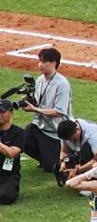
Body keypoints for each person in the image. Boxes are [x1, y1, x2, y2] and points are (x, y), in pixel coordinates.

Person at [20, 46, 72, 177]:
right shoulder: (39, 80)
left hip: (57, 133)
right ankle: (44, 157)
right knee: (22, 138)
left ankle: (62, 158)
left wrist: (35, 109)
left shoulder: (62, 84)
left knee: (51, 167)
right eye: (40, 61)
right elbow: (39, 102)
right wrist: (28, 103)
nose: (40, 65)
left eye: (44, 62)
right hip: (41, 127)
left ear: (54, 63)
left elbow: (59, 112)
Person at [56, 117, 97, 181]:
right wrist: (63, 162)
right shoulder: (66, 132)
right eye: (69, 140)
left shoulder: (92, 134)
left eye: (73, 138)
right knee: (58, 166)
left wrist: (78, 170)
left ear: (77, 129)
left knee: (86, 148)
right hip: (81, 153)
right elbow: (64, 152)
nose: (71, 142)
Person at [0, 100, 25, 204]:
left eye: (2, 111)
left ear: (11, 113)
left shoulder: (19, 133)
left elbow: (12, 153)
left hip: (9, 176)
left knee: (6, 196)